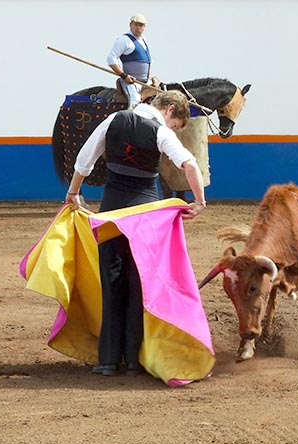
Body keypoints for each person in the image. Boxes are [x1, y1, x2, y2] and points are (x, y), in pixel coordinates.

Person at [65, 90, 207, 376]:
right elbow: (189, 164)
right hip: (145, 216)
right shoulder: (159, 132)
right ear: (168, 110)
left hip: (112, 211)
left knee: (111, 281)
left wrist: (73, 191)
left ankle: (107, 360)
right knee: (139, 285)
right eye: (176, 125)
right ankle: (134, 360)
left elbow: (84, 160)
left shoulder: (115, 120)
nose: (173, 130)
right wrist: (200, 201)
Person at [107, 14, 152, 109]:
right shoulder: (124, 40)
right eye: (136, 24)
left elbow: (148, 62)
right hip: (131, 83)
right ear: (130, 24)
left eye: (141, 25)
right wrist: (124, 76)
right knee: (135, 100)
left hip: (145, 82)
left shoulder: (144, 40)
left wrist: (150, 78)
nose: (138, 27)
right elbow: (111, 59)